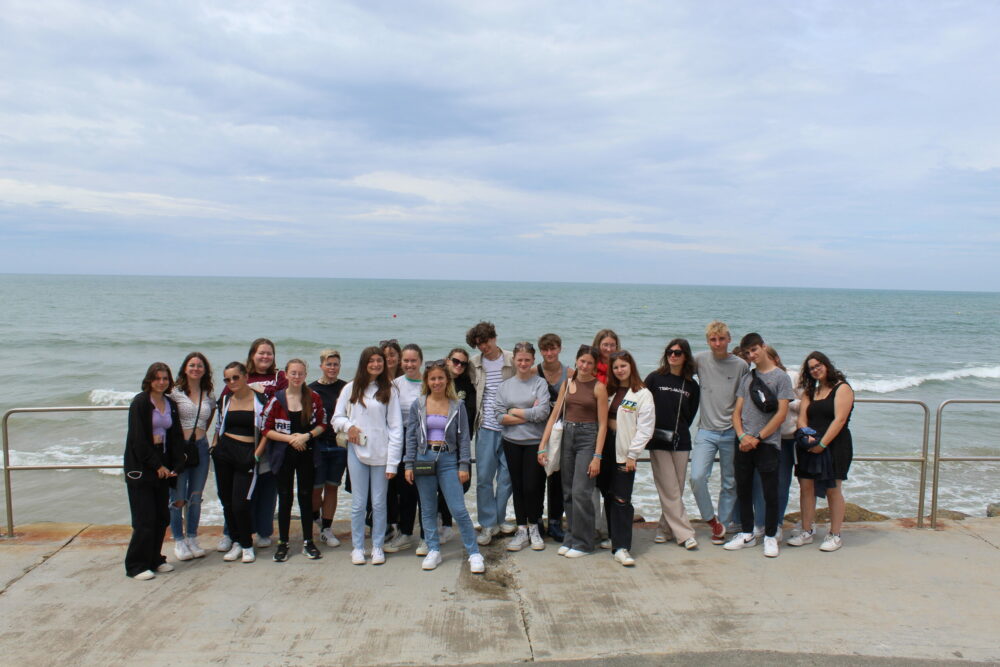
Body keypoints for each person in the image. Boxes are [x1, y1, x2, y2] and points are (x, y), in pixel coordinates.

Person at [402, 360, 485, 574]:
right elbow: (411, 436)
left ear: (447, 380)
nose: (437, 382)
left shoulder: (457, 405)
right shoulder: (418, 404)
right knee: (428, 509)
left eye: (440, 378)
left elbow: (465, 438)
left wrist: (464, 465)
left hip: (449, 459)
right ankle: (433, 549)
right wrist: (408, 464)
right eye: (433, 378)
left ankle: (474, 552)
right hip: (423, 458)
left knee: (458, 509)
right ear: (427, 381)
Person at [333, 346, 403, 565]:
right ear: (364, 363)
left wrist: (393, 463)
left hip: (381, 454)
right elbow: (336, 418)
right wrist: (349, 426)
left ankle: (378, 547)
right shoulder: (350, 389)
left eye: (379, 361)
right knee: (359, 503)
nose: (375, 364)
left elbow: (395, 428)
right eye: (371, 361)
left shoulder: (390, 389)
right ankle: (358, 547)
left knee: (380, 502)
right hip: (356, 451)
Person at [725, 333, 794, 558]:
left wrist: (758, 437)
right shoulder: (748, 378)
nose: (752, 355)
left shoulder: (781, 378)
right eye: (748, 353)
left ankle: (770, 536)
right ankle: (746, 533)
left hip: (767, 443)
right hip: (744, 441)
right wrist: (742, 436)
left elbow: (782, 413)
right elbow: (737, 412)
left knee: (769, 491)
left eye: (755, 350)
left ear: (764, 347)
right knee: (743, 489)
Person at [218, 338, 287, 552]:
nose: (265, 356)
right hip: (239, 445)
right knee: (236, 493)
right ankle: (232, 533)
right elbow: (224, 403)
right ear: (252, 355)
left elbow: (285, 400)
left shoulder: (279, 377)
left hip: (269, 441)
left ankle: (264, 531)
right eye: (261, 353)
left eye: (269, 353)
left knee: (266, 488)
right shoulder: (240, 376)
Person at [539, 345, 608, 557]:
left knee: (581, 492)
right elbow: (554, 415)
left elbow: (603, 425)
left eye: (589, 363)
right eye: (582, 361)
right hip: (567, 435)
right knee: (567, 491)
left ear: (595, 366)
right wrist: (542, 445)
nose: (585, 366)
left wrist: (597, 456)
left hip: (588, 438)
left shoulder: (599, 387)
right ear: (576, 361)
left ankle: (584, 543)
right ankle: (572, 537)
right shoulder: (568, 384)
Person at [787, 351, 855, 552]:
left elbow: (840, 420)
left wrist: (822, 444)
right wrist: (807, 438)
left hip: (835, 444)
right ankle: (807, 530)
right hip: (809, 444)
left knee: (833, 489)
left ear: (826, 365)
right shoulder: (810, 391)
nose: (815, 370)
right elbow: (801, 418)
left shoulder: (842, 388)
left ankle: (835, 534)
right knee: (805, 486)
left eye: (818, 366)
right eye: (811, 368)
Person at [261, 359, 327, 562]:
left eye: (300, 373)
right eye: (293, 373)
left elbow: (323, 424)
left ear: (305, 375)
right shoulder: (276, 399)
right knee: (285, 497)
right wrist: (290, 438)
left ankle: (308, 541)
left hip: (306, 452)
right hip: (283, 454)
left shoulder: (313, 398)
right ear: (286, 375)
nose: (297, 377)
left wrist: (306, 436)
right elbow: (265, 428)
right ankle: (283, 543)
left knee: (306, 497)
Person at [689, 321, 749, 544]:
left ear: (729, 339)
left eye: (721, 339)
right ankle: (711, 519)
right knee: (696, 477)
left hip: (732, 431)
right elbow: (678, 372)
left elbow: (746, 398)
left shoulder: (741, 365)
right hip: (706, 430)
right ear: (708, 341)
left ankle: (722, 527)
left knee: (730, 482)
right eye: (713, 340)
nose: (717, 343)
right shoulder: (700, 360)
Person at [123, 362, 183, 580]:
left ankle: (155, 558)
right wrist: (156, 465)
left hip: (163, 464)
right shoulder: (140, 403)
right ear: (149, 380)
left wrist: (175, 465)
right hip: (142, 467)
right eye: (157, 378)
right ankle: (136, 565)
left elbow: (175, 436)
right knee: (144, 519)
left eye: (165, 378)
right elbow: (138, 440)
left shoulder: (169, 403)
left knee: (161, 516)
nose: (161, 382)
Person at [494, 341, 552, 552]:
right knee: (518, 487)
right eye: (520, 359)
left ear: (533, 360)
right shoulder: (505, 386)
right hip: (512, 443)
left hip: (534, 443)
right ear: (514, 361)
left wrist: (515, 412)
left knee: (532, 487)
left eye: (527, 359)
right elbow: (499, 416)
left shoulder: (540, 384)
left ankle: (534, 527)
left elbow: (542, 413)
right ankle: (521, 530)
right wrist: (527, 415)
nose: (524, 363)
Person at [643, 339, 701, 550]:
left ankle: (664, 529)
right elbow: (641, 403)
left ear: (685, 356)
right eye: (670, 352)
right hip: (658, 440)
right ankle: (685, 534)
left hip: (681, 441)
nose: (673, 356)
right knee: (669, 488)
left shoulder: (692, 385)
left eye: (678, 352)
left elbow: (691, 414)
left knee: (675, 488)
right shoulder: (655, 378)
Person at [599, 350, 654, 566]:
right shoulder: (609, 390)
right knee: (608, 493)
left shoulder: (642, 394)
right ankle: (614, 537)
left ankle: (622, 547)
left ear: (631, 366)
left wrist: (633, 454)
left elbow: (646, 429)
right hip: (604, 449)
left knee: (622, 498)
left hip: (625, 451)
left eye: (623, 365)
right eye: (615, 367)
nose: (619, 370)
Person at [212, 362, 268, 564]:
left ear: (245, 376)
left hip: (247, 454)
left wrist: (257, 454)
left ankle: (246, 544)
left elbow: (266, 431)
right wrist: (214, 448)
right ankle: (236, 541)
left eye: (235, 377)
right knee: (226, 500)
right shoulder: (226, 399)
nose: (232, 382)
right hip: (224, 453)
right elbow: (219, 426)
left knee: (240, 503)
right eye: (227, 379)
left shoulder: (261, 400)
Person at [466, 321, 515, 544]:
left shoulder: (512, 359)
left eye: (485, 342)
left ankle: (499, 518)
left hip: (511, 428)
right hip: (485, 427)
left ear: (494, 337)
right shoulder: (474, 363)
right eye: (478, 344)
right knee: (484, 478)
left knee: (506, 477)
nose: (483, 347)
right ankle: (487, 524)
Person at [168, 352, 216, 561]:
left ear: (205, 370)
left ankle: (192, 537)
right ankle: (178, 539)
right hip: (180, 449)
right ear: (185, 368)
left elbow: (211, 415)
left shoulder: (208, 393)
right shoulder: (174, 392)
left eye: (200, 365)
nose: (196, 368)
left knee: (195, 496)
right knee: (178, 497)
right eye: (192, 365)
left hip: (201, 447)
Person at [386, 344, 424, 554]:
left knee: (426, 488)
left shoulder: (429, 382)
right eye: (406, 361)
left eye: (414, 361)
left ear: (420, 361)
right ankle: (406, 532)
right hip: (400, 441)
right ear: (401, 362)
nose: (410, 365)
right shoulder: (395, 385)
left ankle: (429, 534)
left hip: (424, 442)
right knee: (405, 488)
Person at [309, 349, 347, 548]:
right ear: (321, 366)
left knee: (332, 487)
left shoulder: (346, 388)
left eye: (336, 364)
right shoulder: (311, 390)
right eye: (329, 364)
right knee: (316, 489)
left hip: (339, 445)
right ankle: (315, 516)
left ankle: (326, 528)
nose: (332, 368)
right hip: (318, 445)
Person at [536, 333, 566, 542]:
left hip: (560, 433)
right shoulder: (533, 372)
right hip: (537, 432)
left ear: (559, 349)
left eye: (553, 348)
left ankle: (555, 522)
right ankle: (536, 520)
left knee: (557, 478)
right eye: (545, 350)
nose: (549, 353)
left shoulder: (570, 373)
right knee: (536, 479)